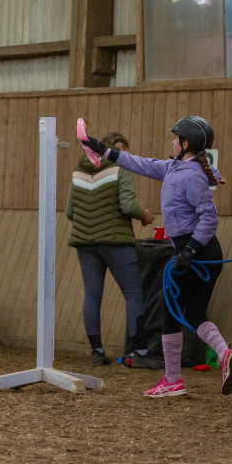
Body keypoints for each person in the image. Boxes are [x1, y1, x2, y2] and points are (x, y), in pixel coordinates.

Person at [80, 116, 232, 398]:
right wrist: (103, 150)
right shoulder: (173, 167)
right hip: (199, 250)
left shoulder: (191, 176)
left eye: (175, 138)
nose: (171, 141)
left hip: (195, 251)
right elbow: (139, 163)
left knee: (170, 312)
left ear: (185, 144)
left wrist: (189, 251)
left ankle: (172, 380)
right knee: (193, 314)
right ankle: (225, 354)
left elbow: (209, 218)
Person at [66, 131, 154, 366]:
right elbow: (127, 205)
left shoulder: (78, 172)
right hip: (116, 242)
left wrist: (90, 224)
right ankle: (140, 353)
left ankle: (97, 352)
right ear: (117, 148)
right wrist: (144, 215)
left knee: (92, 296)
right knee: (133, 294)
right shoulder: (121, 168)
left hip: (85, 243)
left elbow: (70, 211)